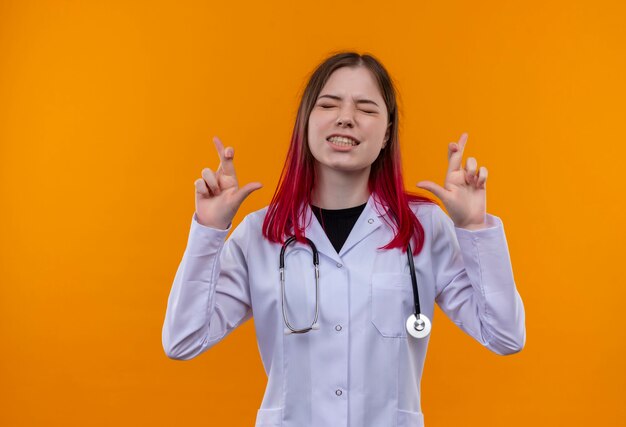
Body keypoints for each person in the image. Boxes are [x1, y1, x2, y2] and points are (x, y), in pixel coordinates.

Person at [162, 51, 526, 427]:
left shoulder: (424, 228)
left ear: (386, 133)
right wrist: (209, 231)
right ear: (306, 121)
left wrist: (474, 227)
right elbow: (183, 341)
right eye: (329, 104)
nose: (346, 117)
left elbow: (504, 336)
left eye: (366, 109)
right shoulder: (261, 234)